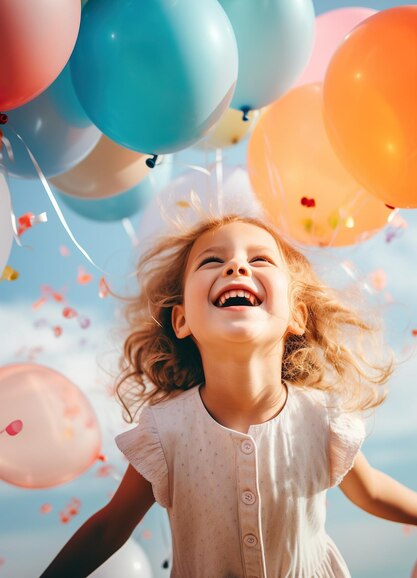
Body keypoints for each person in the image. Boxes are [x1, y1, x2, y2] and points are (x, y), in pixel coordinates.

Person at [40, 213, 417, 578]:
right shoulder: (164, 432)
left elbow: (371, 492)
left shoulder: (321, 418)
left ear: (296, 317)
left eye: (260, 259)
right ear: (182, 319)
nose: (237, 267)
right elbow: (109, 529)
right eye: (212, 260)